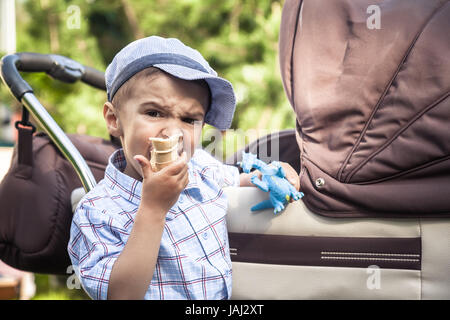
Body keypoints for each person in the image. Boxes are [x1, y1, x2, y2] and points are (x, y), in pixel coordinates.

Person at [67, 36, 300, 300]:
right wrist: (153, 208)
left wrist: (271, 175)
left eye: (190, 119)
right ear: (113, 119)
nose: (173, 132)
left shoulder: (200, 166)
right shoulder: (98, 211)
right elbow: (121, 295)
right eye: (154, 113)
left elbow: (238, 181)